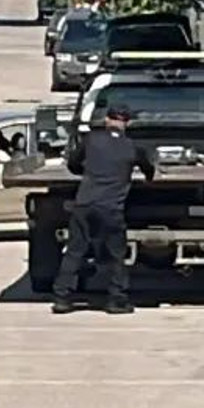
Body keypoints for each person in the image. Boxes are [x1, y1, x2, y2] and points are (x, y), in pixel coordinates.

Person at [52, 104, 156, 315]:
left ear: (107, 120)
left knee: (74, 251)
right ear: (127, 123)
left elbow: (73, 164)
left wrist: (90, 170)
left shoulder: (90, 140)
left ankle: (62, 299)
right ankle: (116, 300)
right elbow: (149, 171)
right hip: (110, 208)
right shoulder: (133, 148)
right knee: (115, 254)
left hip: (84, 204)